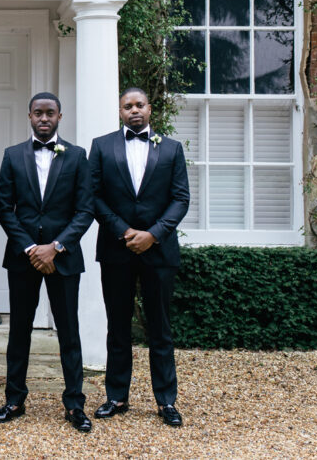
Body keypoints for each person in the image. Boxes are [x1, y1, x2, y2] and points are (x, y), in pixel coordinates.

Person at [0, 92, 94, 433]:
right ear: (30, 116)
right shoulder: (12, 155)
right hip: (23, 259)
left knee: (69, 332)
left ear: (60, 116)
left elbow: (85, 210)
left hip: (64, 259)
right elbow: (4, 208)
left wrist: (56, 247)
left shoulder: (78, 157)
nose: (44, 118)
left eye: (50, 113)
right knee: (19, 330)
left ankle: (75, 404)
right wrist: (32, 249)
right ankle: (14, 399)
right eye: (38, 113)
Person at [89, 87, 190, 428]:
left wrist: (153, 234)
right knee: (117, 327)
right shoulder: (102, 147)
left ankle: (166, 401)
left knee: (160, 328)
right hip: (116, 250)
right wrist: (124, 231)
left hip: (159, 251)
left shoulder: (172, 149)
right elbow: (95, 196)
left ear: (150, 109)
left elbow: (180, 198)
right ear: (120, 111)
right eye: (127, 105)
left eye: (139, 105)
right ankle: (116, 396)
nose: (134, 110)